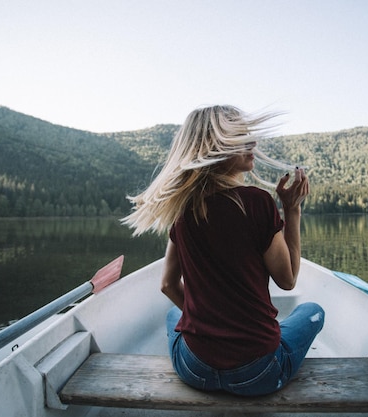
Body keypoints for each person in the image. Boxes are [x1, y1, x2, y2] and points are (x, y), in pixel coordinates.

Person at [122, 105, 324, 396]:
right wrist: (292, 210)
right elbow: (288, 279)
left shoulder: (182, 210)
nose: (252, 143)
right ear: (216, 148)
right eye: (240, 137)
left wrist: (209, 324)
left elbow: (167, 285)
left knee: (171, 317)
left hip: (194, 369)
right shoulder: (258, 203)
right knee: (313, 311)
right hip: (258, 373)